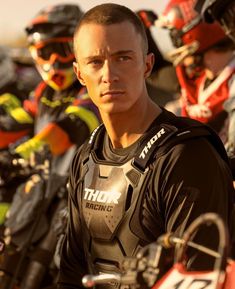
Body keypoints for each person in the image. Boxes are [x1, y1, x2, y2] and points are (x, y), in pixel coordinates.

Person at [57, 3, 235, 289]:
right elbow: (70, 274)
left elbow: (201, 277)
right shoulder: (87, 156)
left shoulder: (186, 155)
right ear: (79, 74)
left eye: (123, 58)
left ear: (148, 65)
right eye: (95, 62)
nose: (109, 74)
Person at [156, 0, 235, 143]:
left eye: (174, 33)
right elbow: (155, 73)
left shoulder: (230, 81)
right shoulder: (196, 78)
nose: (175, 42)